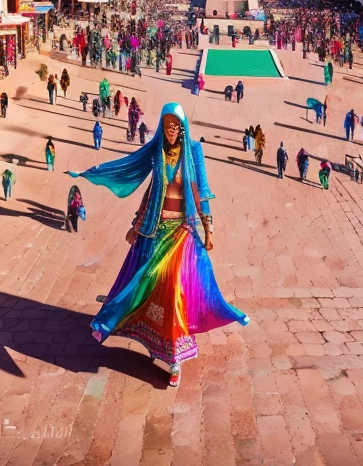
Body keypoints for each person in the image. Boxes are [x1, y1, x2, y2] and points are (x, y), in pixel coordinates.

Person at [69, 102, 249, 388]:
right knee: (149, 286)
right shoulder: (158, 153)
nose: (172, 132)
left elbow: (200, 191)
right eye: (167, 128)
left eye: (175, 127)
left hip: (182, 231)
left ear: (183, 126)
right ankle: (153, 341)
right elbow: (152, 192)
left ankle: (175, 358)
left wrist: (208, 228)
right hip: (156, 229)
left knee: (175, 288)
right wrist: (136, 225)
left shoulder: (194, 153)